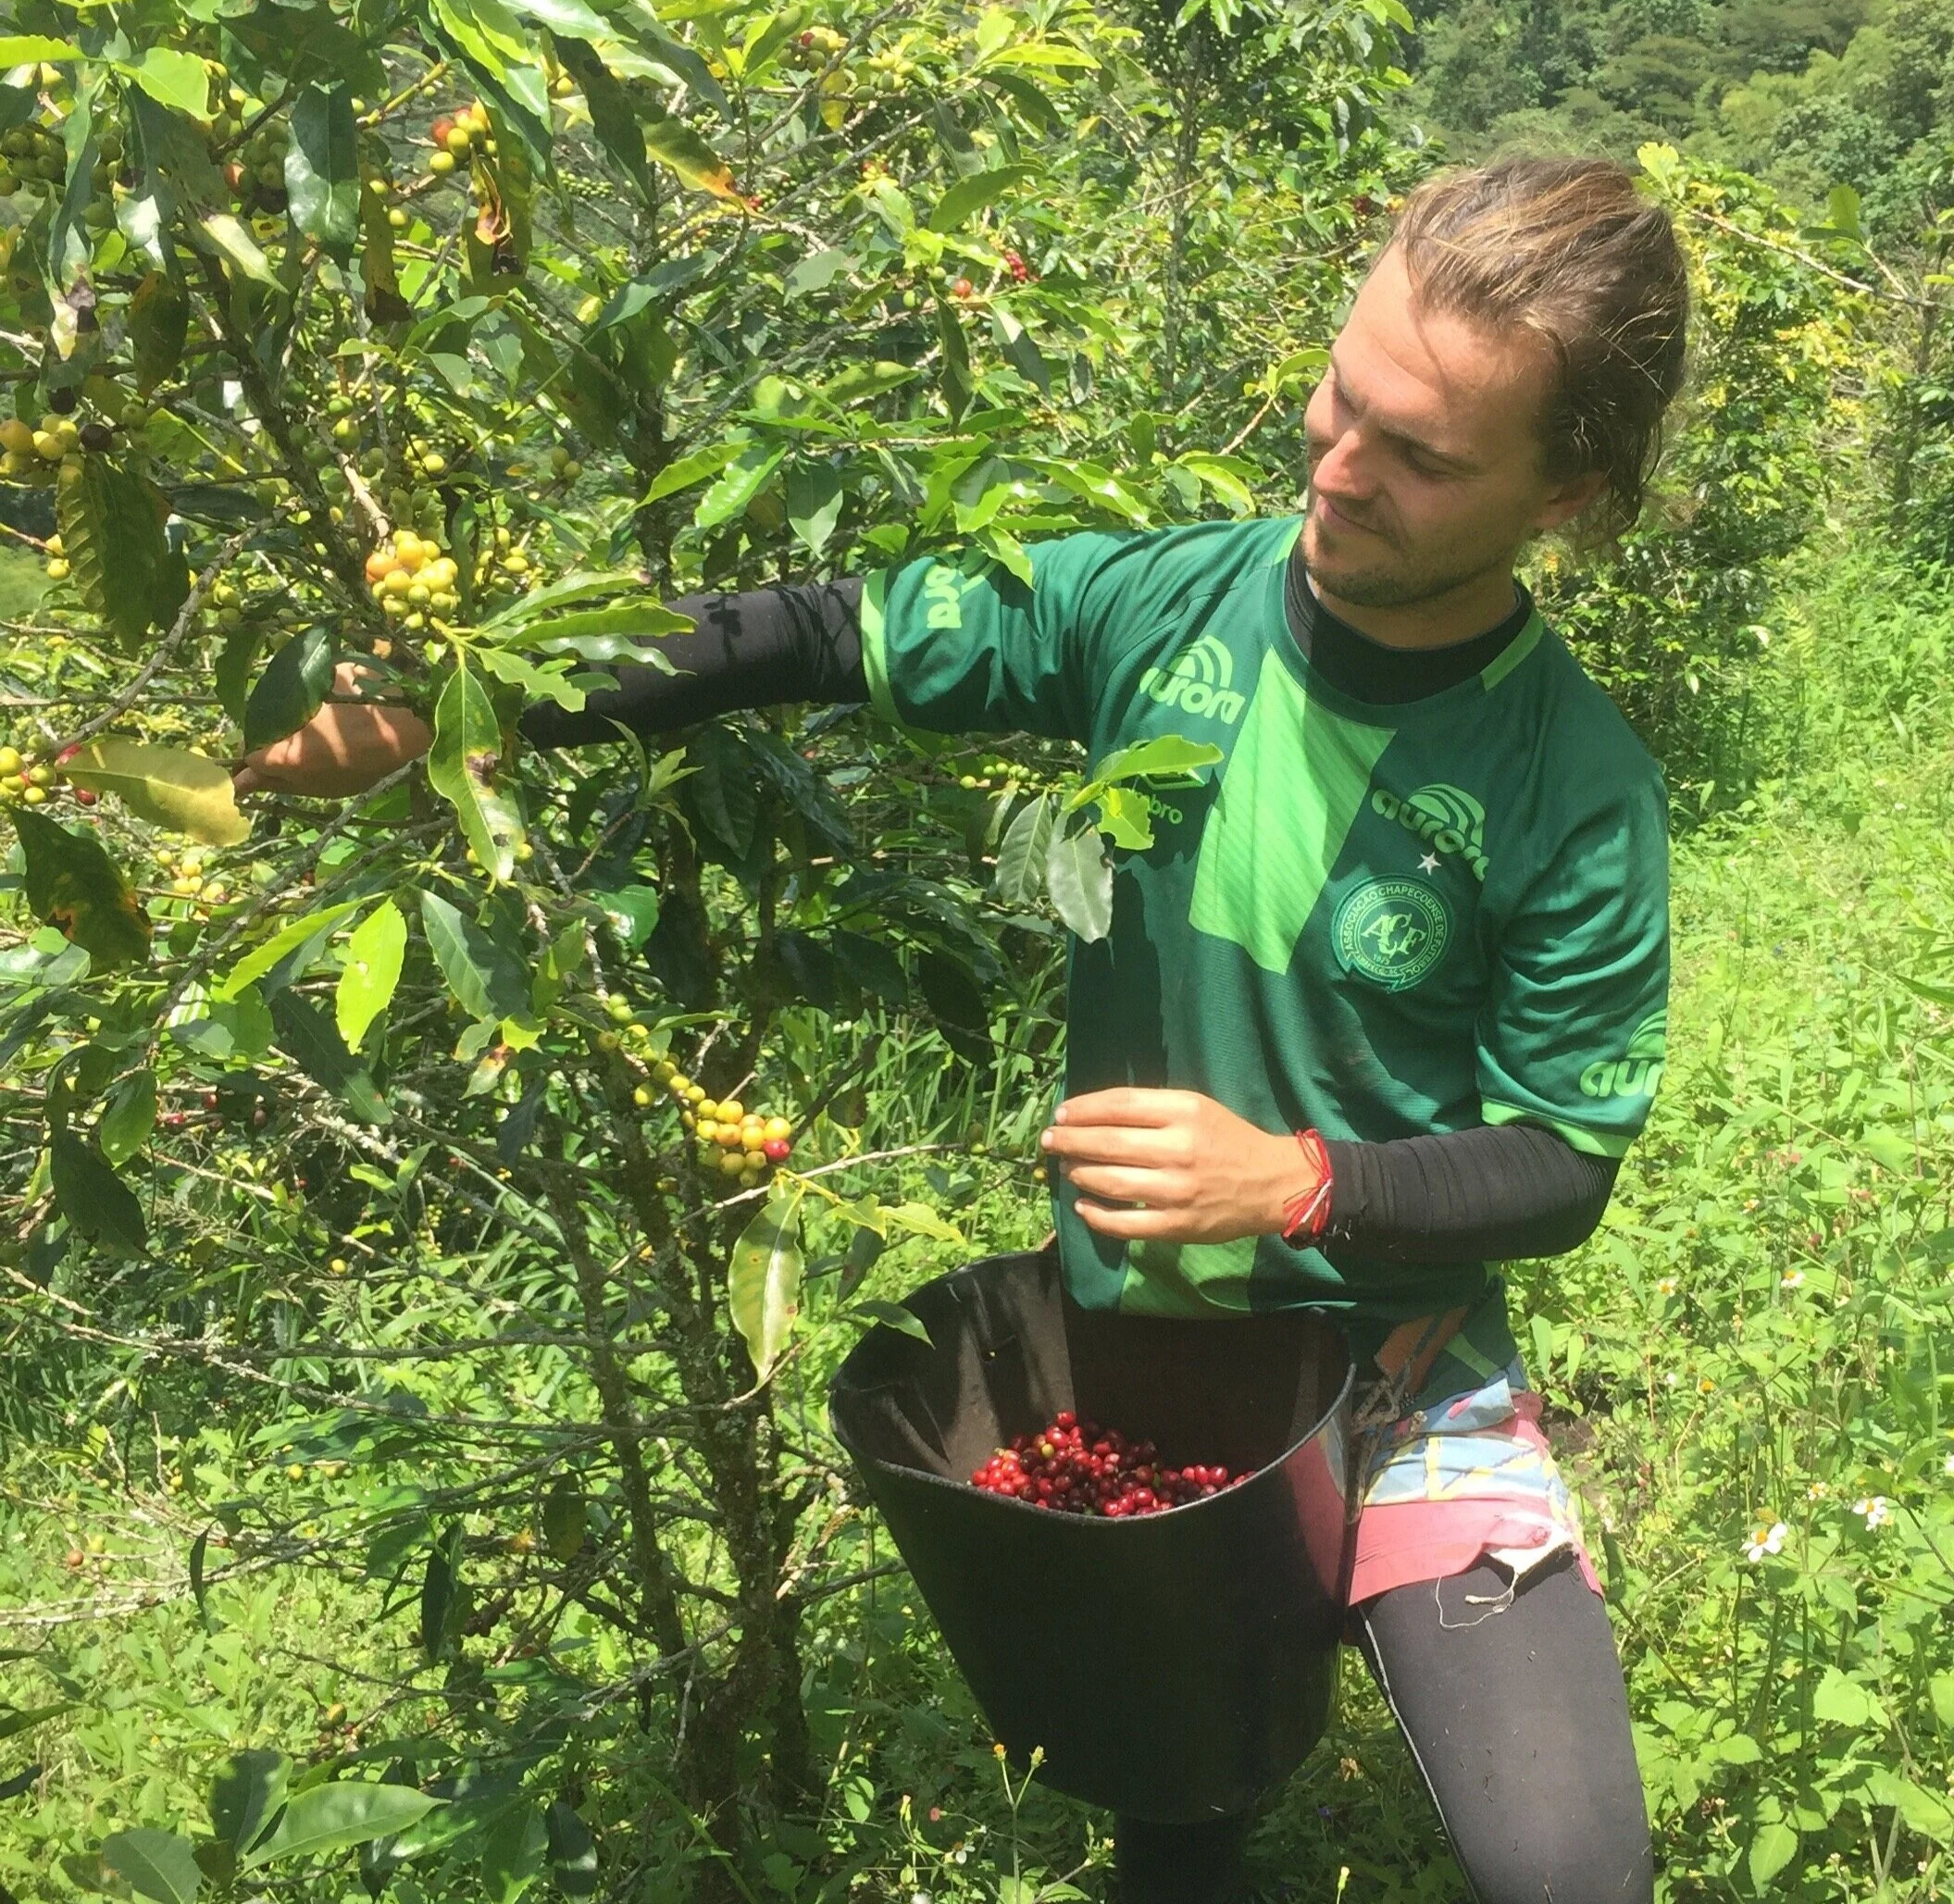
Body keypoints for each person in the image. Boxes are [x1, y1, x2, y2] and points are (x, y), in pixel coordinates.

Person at [241, 156, 1682, 1904]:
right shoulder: (1158, 607)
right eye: (1339, 395)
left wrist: (1299, 1187)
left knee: (1572, 1872)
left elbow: (1558, 1166)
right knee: (1183, 1816)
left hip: (1403, 1371)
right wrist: (459, 706)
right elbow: (805, 634)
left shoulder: (1574, 787)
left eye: (1422, 456)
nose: (1334, 466)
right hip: (1152, 1362)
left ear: (1569, 494)